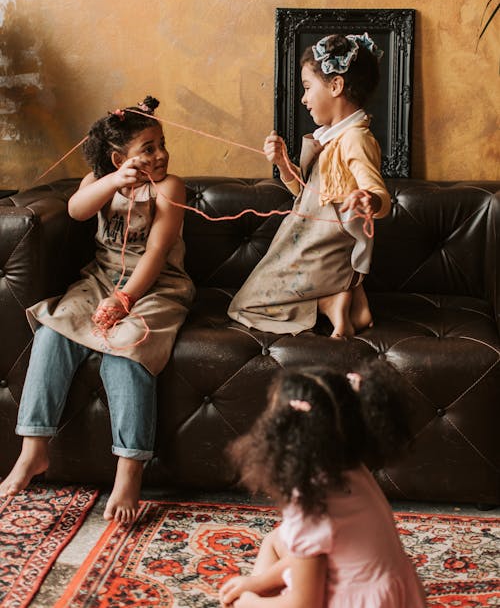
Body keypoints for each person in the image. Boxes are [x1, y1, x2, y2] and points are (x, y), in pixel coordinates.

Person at [0, 96, 195, 524]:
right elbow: (76, 209)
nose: (160, 154)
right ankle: (33, 449)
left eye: (161, 143)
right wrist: (112, 181)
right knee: (54, 329)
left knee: (127, 346)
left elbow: (158, 251)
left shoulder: (170, 187)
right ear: (117, 158)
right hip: (99, 279)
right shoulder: (98, 180)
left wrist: (125, 300)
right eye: (148, 148)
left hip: (155, 286)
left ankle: (130, 470)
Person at [219, 360, 427, 608]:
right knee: (276, 540)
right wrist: (259, 583)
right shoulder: (349, 465)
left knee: (245, 602)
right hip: (393, 596)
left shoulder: (309, 501)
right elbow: (309, 554)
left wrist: (249, 602)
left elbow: (305, 604)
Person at [228, 33, 391, 338]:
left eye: (307, 87)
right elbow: (305, 194)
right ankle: (350, 299)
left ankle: (331, 300)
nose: (303, 98)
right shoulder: (330, 136)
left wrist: (370, 200)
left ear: (335, 86)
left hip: (325, 248)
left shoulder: (355, 138)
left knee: (245, 305)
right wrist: (282, 163)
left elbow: (379, 193)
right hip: (308, 240)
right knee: (251, 296)